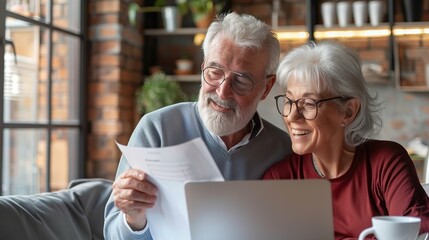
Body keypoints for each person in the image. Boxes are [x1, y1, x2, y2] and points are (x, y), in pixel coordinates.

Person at [104, 12, 293, 240]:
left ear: (266, 87)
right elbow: (113, 234)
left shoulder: (283, 150)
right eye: (214, 72)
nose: (223, 91)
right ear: (203, 68)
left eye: (241, 81)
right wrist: (133, 219)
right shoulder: (157, 129)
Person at [263, 41, 429, 239]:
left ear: (348, 112)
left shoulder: (386, 162)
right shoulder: (280, 179)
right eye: (289, 101)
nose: (291, 116)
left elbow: (417, 230)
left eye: (308, 103)